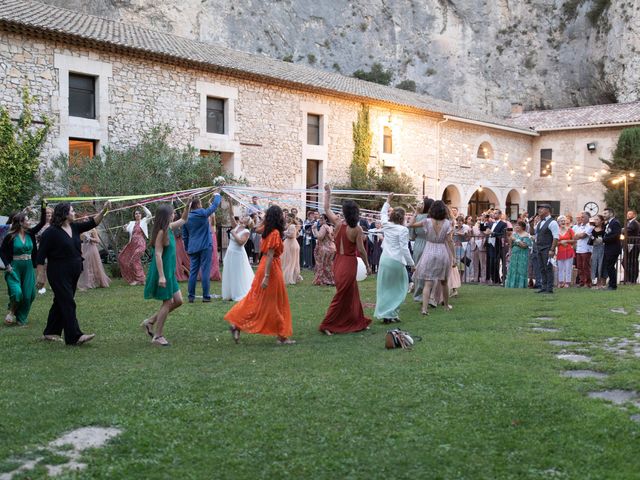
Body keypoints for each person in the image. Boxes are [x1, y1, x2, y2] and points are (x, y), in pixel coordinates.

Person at [36, 201, 111, 345]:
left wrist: (104, 210)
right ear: (64, 214)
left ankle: (50, 331)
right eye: (71, 211)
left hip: (74, 270)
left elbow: (93, 223)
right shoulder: (51, 232)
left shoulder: (74, 227)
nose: (74, 213)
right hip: (58, 272)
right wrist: (40, 275)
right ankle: (74, 336)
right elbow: (40, 256)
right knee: (68, 302)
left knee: (60, 301)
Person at [225, 205, 295, 345]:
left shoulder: (266, 230)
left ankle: (237, 324)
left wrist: (263, 219)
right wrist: (267, 276)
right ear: (278, 217)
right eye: (281, 214)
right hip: (271, 268)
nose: (283, 216)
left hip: (265, 265)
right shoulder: (274, 232)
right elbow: (270, 255)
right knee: (276, 300)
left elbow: (256, 227)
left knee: (256, 298)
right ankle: (282, 336)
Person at [318, 185, 371, 335]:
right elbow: (361, 250)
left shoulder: (338, 222)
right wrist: (367, 266)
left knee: (352, 293)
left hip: (338, 262)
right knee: (342, 295)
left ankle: (358, 320)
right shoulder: (357, 229)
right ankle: (327, 324)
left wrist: (328, 193)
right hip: (348, 263)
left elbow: (326, 208)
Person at [141, 200, 193, 346]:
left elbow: (184, 219)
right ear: (167, 216)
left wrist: (187, 206)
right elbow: (157, 254)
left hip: (169, 272)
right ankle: (157, 336)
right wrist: (162, 276)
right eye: (172, 213)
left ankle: (150, 321)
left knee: (178, 301)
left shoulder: (169, 227)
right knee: (168, 302)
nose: (174, 214)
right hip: (162, 272)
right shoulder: (161, 233)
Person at [0, 202, 46, 325]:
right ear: (21, 223)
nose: (29, 221)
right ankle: (11, 311)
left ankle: (21, 318)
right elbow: (2, 251)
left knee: (29, 295)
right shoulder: (10, 236)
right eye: (27, 220)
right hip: (14, 267)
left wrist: (43, 207)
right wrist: (7, 265)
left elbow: (42, 222)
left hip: (28, 266)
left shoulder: (30, 233)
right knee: (17, 292)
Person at [374, 193, 414, 324]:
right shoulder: (403, 230)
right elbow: (404, 248)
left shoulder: (386, 224)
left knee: (385, 288)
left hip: (385, 260)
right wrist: (411, 263)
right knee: (401, 287)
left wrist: (388, 200)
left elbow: (383, 213)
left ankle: (389, 314)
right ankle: (391, 313)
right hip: (396, 261)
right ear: (402, 218)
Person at [412, 200, 455, 315]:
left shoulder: (426, 222)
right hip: (442, 251)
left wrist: (416, 212)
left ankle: (424, 309)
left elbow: (411, 224)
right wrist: (454, 257)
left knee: (428, 282)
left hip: (429, 251)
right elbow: (450, 241)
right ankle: (446, 305)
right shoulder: (447, 223)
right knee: (444, 282)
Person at [183, 193, 222, 303]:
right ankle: (205, 297)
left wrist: (187, 247)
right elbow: (214, 206)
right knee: (205, 271)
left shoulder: (186, 217)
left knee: (193, 272)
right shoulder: (202, 213)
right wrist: (217, 195)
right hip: (205, 246)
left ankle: (191, 297)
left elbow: (185, 236)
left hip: (193, 248)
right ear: (199, 204)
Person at [221, 208, 254, 301]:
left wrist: (234, 233)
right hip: (230, 252)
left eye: (245, 217)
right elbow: (231, 215)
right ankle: (230, 293)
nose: (242, 217)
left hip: (238, 254)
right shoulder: (236, 226)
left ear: (247, 222)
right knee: (230, 271)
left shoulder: (246, 232)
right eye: (243, 216)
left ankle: (238, 292)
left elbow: (241, 242)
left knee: (237, 273)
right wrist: (230, 202)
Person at [118, 204, 152, 286]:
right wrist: (124, 227)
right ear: (134, 215)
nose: (137, 215)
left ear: (141, 215)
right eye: (136, 214)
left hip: (140, 243)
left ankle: (141, 278)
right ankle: (136, 279)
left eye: (139, 213)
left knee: (134, 259)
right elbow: (126, 230)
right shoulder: (131, 223)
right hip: (132, 244)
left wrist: (143, 206)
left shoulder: (144, 221)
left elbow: (149, 215)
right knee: (122, 258)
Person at [410, 197, 432, 301]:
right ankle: (430, 294)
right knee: (430, 271)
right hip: (431, 244)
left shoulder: (417, 217)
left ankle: (418, 295)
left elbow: (411, 235)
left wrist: (416, 213)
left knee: (418, 270)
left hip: (419, 244)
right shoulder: (434, 219)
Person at [534, 204, 559, 294]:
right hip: (539, 247)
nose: (539, 210)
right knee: (541, 268)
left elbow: (556, 237)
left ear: (548, 210)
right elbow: (535, 233)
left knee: (548, 268)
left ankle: (549, 288)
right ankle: (543, 286)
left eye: (542, 208)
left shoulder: (553, 222)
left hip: (547, 248)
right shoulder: (540, 222)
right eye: (539, 209)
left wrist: (552, 249)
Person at [504, 221, 532, 288]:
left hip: (522, 254)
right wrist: (509, 238)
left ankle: (520, 285)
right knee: (513, 269)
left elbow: (524, 245)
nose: (516, 227)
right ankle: (511, 285)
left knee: (521, 269)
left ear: (522, 227)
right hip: (514, 254)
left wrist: (516, 239)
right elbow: (511, 245)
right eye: (516, 225)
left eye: (518, 225)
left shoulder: (526, 235)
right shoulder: (514, 234)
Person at [312, 214, 336, 286]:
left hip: (324, 248)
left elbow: (320, 237)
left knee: (322, 264)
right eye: (319, 218)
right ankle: (331, 279)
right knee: (328, 264)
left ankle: (322, 280)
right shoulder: (330, 227)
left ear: (326, 220)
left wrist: (315, 229)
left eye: (322, 219)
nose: (320, 220)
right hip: (331, 248)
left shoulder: (324, 226)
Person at [602, 207, 622, 290]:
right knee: (609, 266)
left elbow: (615, 235)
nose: (604, 215)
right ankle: (611, 284)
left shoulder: (615, 223)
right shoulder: (608, 223)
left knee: (610, 266)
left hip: (613, 249)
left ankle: (613, 285)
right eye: (604, 213)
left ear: (611, 214)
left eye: (606, 213)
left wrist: (603, 239)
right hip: (608, 248)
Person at [572, 212, 593, 288]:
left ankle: (588, 282)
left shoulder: (590, 226)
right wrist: (578, 235)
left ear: (588, 218)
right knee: (579, 267)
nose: (581, 218)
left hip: (586, 249)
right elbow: (574, 237)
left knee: (586, 266)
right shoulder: (578, 227)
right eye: (581, 217)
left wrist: (579, 235)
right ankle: (581, 282)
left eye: (583, 217)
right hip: (578, 249)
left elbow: (583, 236)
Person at [486, 209, 507, 284]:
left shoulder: (503, 224)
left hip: (498, 245)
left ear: (500, 215)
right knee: (490, 262)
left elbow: (502, 234)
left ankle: (498, 279)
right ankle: (493, 279)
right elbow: (485, 230)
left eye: (496, 213)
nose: (494, 215)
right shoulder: (490, 223)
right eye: (493, 213)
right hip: (490, 244)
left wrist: (493, 233)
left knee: (496, 262)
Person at [281, 214, 303, 284]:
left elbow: (292, 235)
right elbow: (298, 234)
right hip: (292, 243)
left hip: (290, 244)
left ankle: (289, 277)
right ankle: (294, 276)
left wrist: (284, 233)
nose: (286, 218)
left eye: (287, 217)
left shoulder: (292, 226)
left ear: (290, 218)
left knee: (289, 260)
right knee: (291, 260)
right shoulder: (293, 226)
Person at [556, 216, 575, 288]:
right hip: (560, 251)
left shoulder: (570, 230)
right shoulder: (556, 231)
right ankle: (560, 282)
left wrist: (566, 241)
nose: (563, 222)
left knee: (568, 267)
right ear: (558, 222)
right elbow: (554, 242)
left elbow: (574, 240)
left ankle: (567, 282)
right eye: (561, 221)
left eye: (564, 221)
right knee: (560, 268)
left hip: (569, 250)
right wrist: (561, 243)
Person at [589, 215, 606, 289]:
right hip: (595, 248)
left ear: (602, 221)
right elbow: (590, 241)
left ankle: (602, 283)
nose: (595, 221)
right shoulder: (592, 229)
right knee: (594, 265)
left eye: (597, 219)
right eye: (595, 219)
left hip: (603, 248)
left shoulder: (605, 229)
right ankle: (595, 282)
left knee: (601, 265)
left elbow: (605, 239)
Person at [624, 210, 640, 283]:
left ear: (634, 215)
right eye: (627, 214)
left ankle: (632, 279)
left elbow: (629, 230)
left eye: (630, 214)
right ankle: (629, 278)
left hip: (633, 244)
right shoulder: (629, 223)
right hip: (628, 244)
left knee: (632, 261)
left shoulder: (634, 223)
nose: (628, 215)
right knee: (626, 261)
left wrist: (621, 230)